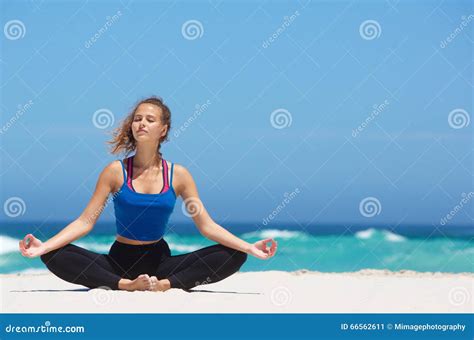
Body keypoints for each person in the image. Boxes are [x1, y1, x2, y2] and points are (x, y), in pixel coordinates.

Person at [18, 96, 277, 292]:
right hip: (118, 261)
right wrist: (44, 245)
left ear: (163, 130)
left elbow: (206, 225)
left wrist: (249, 247)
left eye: (150, 120)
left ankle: (166, 284)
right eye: (138, 118)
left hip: (160, 264)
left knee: (233, 255)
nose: (141, 123)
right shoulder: (115, 172)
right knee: (53, 254)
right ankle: (123, 285)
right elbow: (86, 222)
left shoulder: (178, 175)